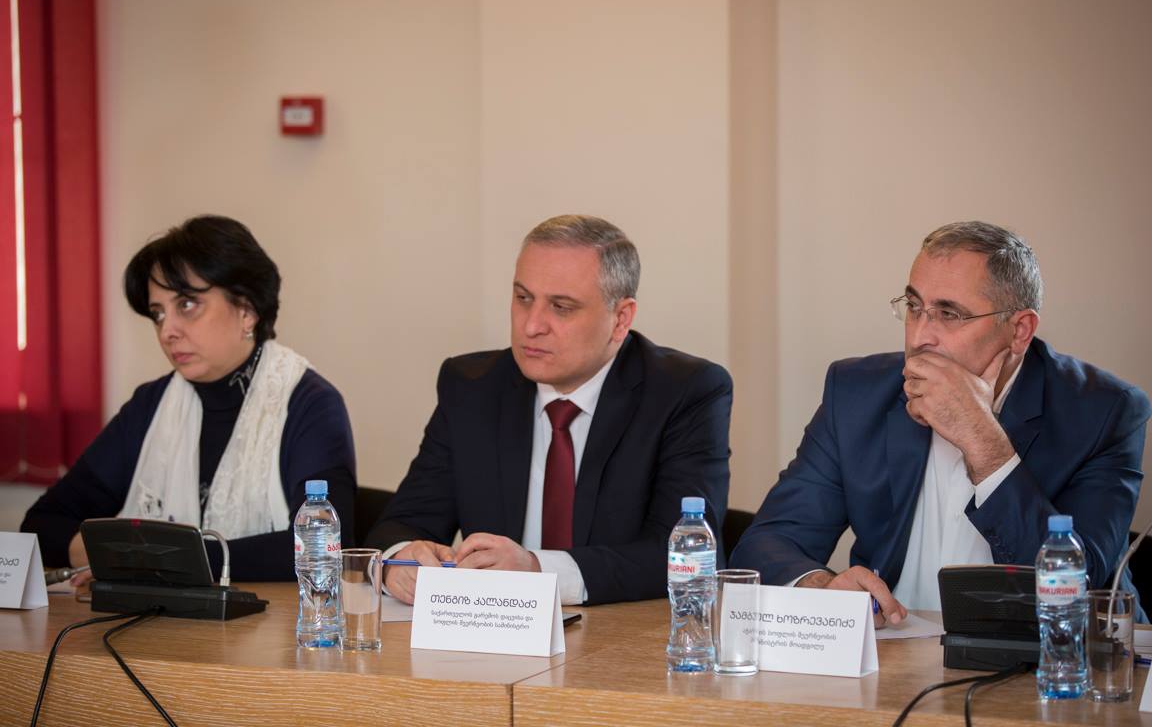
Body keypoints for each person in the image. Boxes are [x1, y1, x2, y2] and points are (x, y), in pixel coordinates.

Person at [731, 221, 1150, 624]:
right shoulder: (858, 393)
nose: (918, 337)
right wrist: (821, 588)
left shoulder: (1104, 411)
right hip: (895, 653)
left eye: (949, 314)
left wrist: (982, 438)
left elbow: (1075, 590)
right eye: (914, 307)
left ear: (1020, 330)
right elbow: (766, 544)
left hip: (1041, 660)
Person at [365, 215, 731, 605]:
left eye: (561, 307)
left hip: (622, 632)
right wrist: (399, 560)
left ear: (620, 319)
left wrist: (537, 569)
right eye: (523, 298)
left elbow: (682, 556)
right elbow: (402, 524)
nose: (531, 326)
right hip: (492, 629)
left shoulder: (684, 392)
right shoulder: (473, 387)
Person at [22, 215, 356, 582]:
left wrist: (153, 561)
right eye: (157, 314)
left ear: (247, 311)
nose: (167, 331)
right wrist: (119, 558)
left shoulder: (309, 404)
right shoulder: (151, 405)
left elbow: (323, 544)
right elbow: (42, 524)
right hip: (153, 615)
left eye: (186, 304)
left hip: (273, 618)